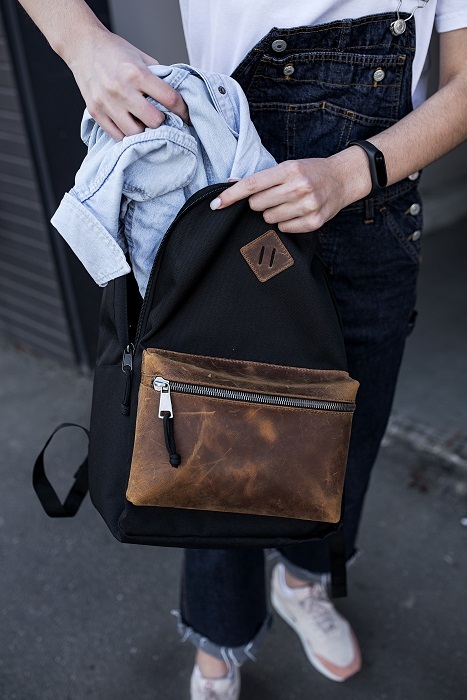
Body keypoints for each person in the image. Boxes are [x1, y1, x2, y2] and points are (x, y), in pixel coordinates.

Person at [18, 1, 467, 698]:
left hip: (371, 211)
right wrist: (82, 43)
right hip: (230, 215)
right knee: (211, 456)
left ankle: (301, 583)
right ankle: (218, 640)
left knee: (338, 447)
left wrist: (353, 173)